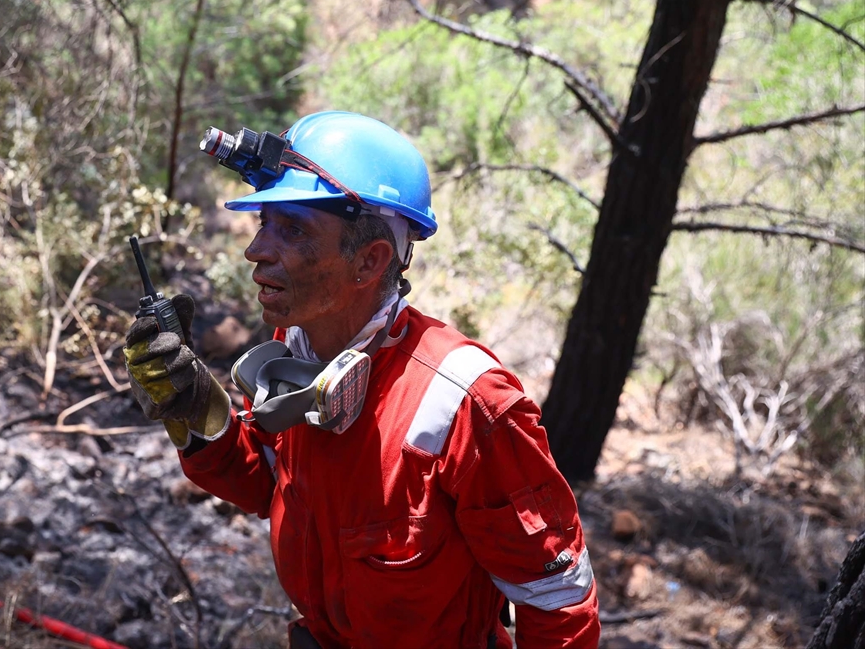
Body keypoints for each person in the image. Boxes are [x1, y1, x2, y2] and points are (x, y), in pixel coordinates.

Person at [123, 111, 599, 649]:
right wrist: (194, 410)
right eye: (264, 224)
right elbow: (268, 486)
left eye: (294, 229)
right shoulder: (295, 352)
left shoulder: (466, 403)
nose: (257, 251)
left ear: (369, 261)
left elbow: (558, 603)